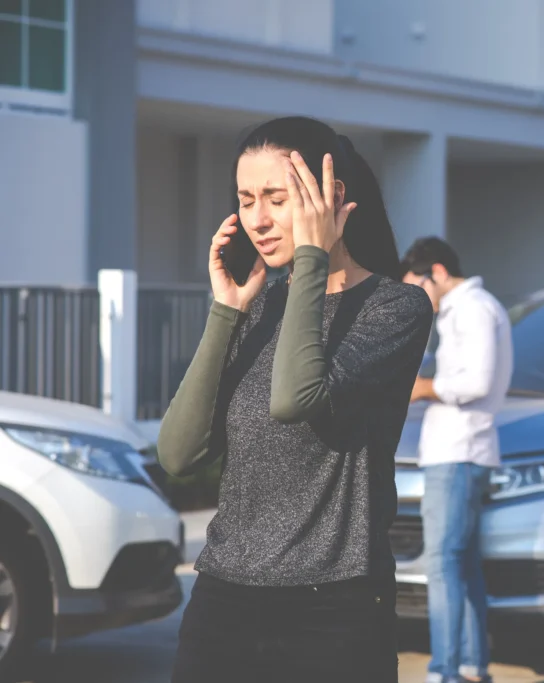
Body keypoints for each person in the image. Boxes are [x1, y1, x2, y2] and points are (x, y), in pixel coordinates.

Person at [157, 116, 434, 683]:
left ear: (330, 198)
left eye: (277, 199)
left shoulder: (396, 308)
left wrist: (310, 258)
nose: (257, 218)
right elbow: (178, 454)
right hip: (222, 602)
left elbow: (294, 399)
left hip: (333, 611)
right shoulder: (256, 308)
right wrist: (227, 311)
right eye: (246, 199)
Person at [402, 237, 513, 683]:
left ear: (439, 272)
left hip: (458, 453)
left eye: (417, 288)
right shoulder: (469, 309)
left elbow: (477, 381)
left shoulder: (471, 309)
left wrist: (423, 387)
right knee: (462, 564)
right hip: (463, 452)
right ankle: (469, 665)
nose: (415, 300)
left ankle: (444, 672)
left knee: (443, 565)